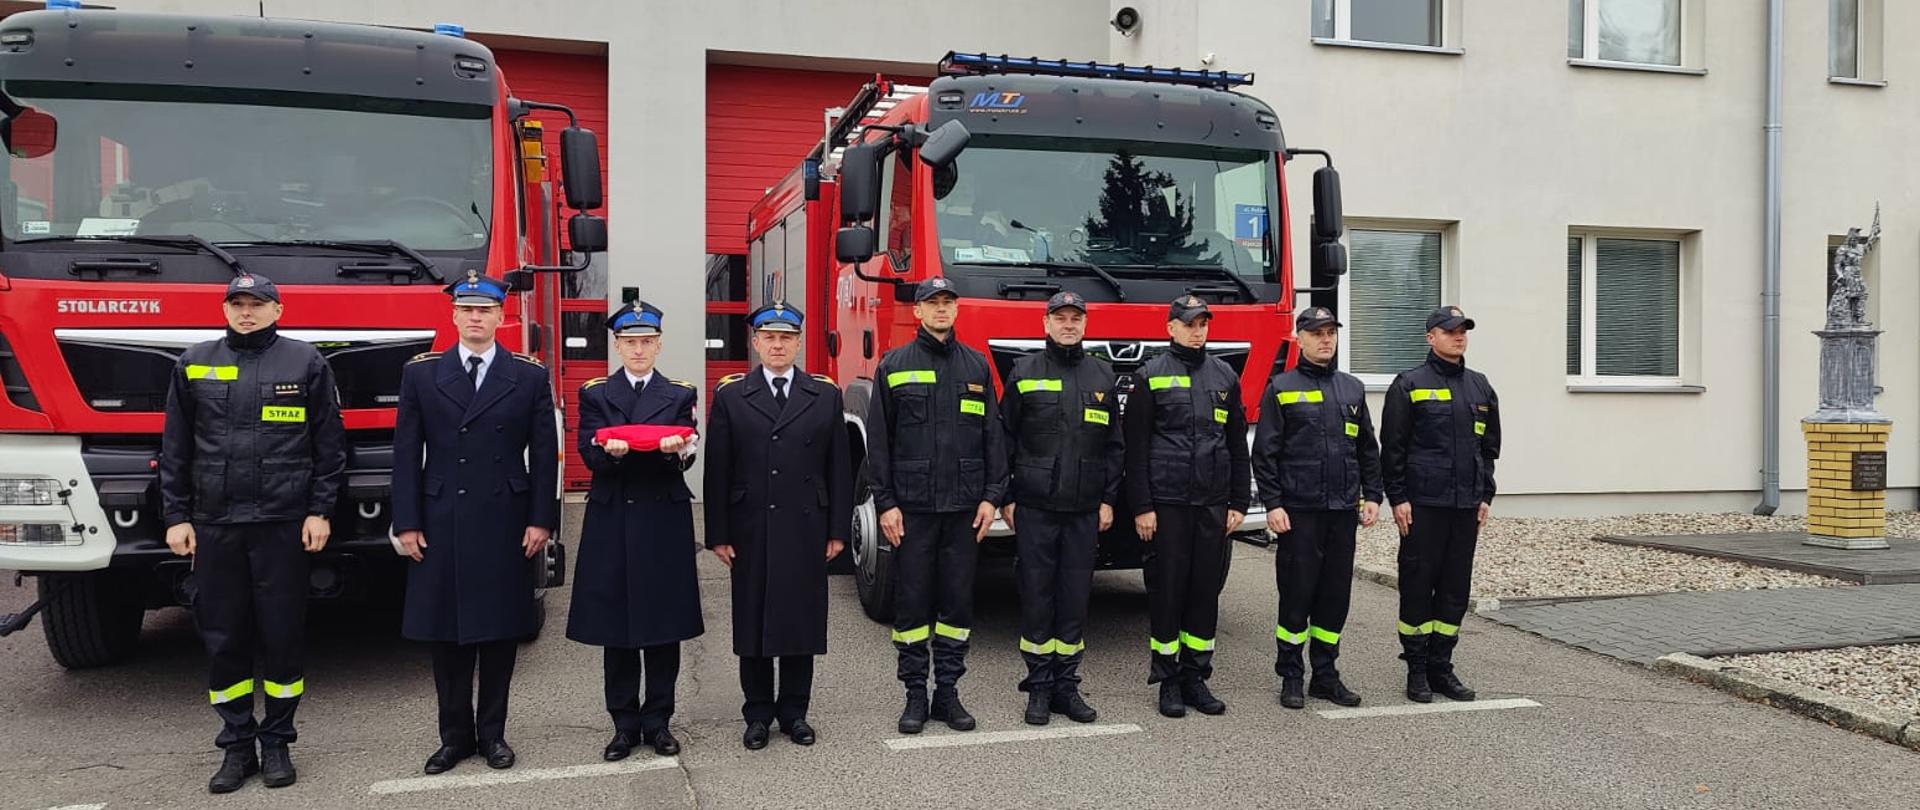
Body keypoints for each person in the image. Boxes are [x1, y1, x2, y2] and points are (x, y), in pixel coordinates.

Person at [159, 273, 345, 793]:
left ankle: (278, 741)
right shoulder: (194, 362)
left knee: (282, 634)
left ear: (277, 311)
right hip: (216, 524)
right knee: (223, 638)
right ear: (224, 309)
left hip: (282, 524)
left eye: (257, 304)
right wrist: (176, 516)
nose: (246, 312)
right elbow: (175, 448)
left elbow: (329, 447)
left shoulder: (305, 362)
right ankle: (237, 745)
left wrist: (320, 511)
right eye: (237, 304)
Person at [391, 272, 559, 773]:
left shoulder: (528, 375)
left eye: (484, 310)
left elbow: (544, 455)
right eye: (467, 310)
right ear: (454, 316)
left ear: (500, 316)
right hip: (441, 516)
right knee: (447, 635)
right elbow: (406, 453)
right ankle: (454, 738)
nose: (475, 318)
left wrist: (541, 520)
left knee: (500, 634)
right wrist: (407, 521)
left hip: (505, 517)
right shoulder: (422, 374)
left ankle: (493, 735)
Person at [704, 303, 852, 750]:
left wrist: (838, 529)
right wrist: (718, 534)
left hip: (806, 525)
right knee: (753, 623)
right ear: (755, 342)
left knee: (800, 621)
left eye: (786, 337)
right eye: (769, 337)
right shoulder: (732, 395)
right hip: (751, 526)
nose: (777, 345)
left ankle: (794, 713)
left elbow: (839, 468)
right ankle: (757, 714)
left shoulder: (824, 394)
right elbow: (717, 470)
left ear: (799, 343)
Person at [865, 276, 1006, 734]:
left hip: (964, 510)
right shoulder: (894, 365)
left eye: (948, 302)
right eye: (933, 303)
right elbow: (879, 443)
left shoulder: (976, 366)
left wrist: (992, 497)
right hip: (913, 511)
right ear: (919, 311)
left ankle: (947, 693)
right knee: (911, 607)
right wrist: (885, 503)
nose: (941, 309)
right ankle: (914, 695)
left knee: (957, 606)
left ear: (956, 309)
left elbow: (993, 437)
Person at [566, 302, 702, 760]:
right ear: (617, 346)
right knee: (617, 626)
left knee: (665, 625)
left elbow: (687, 452)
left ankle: (659, 722)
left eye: (646, 342)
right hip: (614, 517)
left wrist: (673, 451)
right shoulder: (596, 394)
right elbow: (590, 454)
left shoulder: (679, 393)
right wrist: (612, 454)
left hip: (663, 516)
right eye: (630, 342)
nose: (638, 349)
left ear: (659, 345)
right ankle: (623, 725)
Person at [998, 290, 1124, 726]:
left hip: (1084, 510)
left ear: (1085, 324)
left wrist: (1108, 500)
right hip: (1035, 507)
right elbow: (1005, 438)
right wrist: (1006, 497)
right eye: (1061, 318)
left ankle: (1066, 687)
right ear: (1046, 323)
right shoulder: (1025, 371)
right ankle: (1038, 688)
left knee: (1074, 599)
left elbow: (1114, 446)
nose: (1068, 325)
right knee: (1037, 597)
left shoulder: (1102, 375)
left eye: (1075, 318)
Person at [1124, 295, 1249, 718]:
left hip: (1211, 504)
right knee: (1167, 592)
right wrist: (1142, 506)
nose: (1198, 332)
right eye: (1190, 324)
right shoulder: (1150, 375)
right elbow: (1135, 448)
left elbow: (1236, 443)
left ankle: (1196, 677)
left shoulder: (1224, 376)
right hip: (1167, 504)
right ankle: (1167, 681)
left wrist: (1238, 500)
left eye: (1203, 325)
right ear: (1171, 328)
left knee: (1204, 593)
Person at [1251, 306, 1382, 709]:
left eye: (1331, 333)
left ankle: (1326, 675)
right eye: (1317, 333)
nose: (1326, 340)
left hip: (1342, 511)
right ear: (1301, 339)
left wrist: (1373, 496)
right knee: (1297, 595)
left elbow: (1367, 449)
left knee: (1334, 597)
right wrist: (1273, 503)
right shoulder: (1281, 387)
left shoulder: (1352, 388)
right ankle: (1291, 675)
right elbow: (1265, 454)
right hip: (1299, 512)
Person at [1380, 306, 1501, 703]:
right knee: (1417, 586)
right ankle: (1416, 669)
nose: (1458, 336)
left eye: (1463, 330)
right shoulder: (1409, 384)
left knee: (1454, 590)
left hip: (1465, 507)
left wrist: (1485, 495)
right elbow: (1392, 448)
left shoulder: (1480, 386)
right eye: (1449, 331)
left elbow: (1488, 449)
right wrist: (1398, 498)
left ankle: (1441, 667)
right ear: (1431, 337)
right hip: (1423, 505)